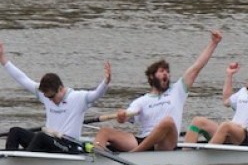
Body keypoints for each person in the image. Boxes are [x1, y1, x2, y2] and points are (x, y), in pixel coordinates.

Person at [93, 30, 222, 152]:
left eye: (167, 72)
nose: (166, 74)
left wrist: (213, 43)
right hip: (144, 140)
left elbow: (196, 67)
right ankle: (95, 158)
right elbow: (125, 118)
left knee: (168, 121)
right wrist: (122, 116)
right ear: (151, 77)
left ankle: (135, 155)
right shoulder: (141, 101)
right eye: (161, 71)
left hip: (166, 142)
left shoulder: (177, 91)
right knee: (104, 132)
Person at [0, 38, 111, 153]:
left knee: (41, 136)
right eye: (47, 97)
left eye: (52, 97)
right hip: (49, 141)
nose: (50, 100)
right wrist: (2, 58)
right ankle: (9, 160)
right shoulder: (45, 94)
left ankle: (27, 164)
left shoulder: (78, 98)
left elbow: (97, 94)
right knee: (15, 132)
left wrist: (105, 82)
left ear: (61, 89)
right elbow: (22, 79)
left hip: (68, 145)